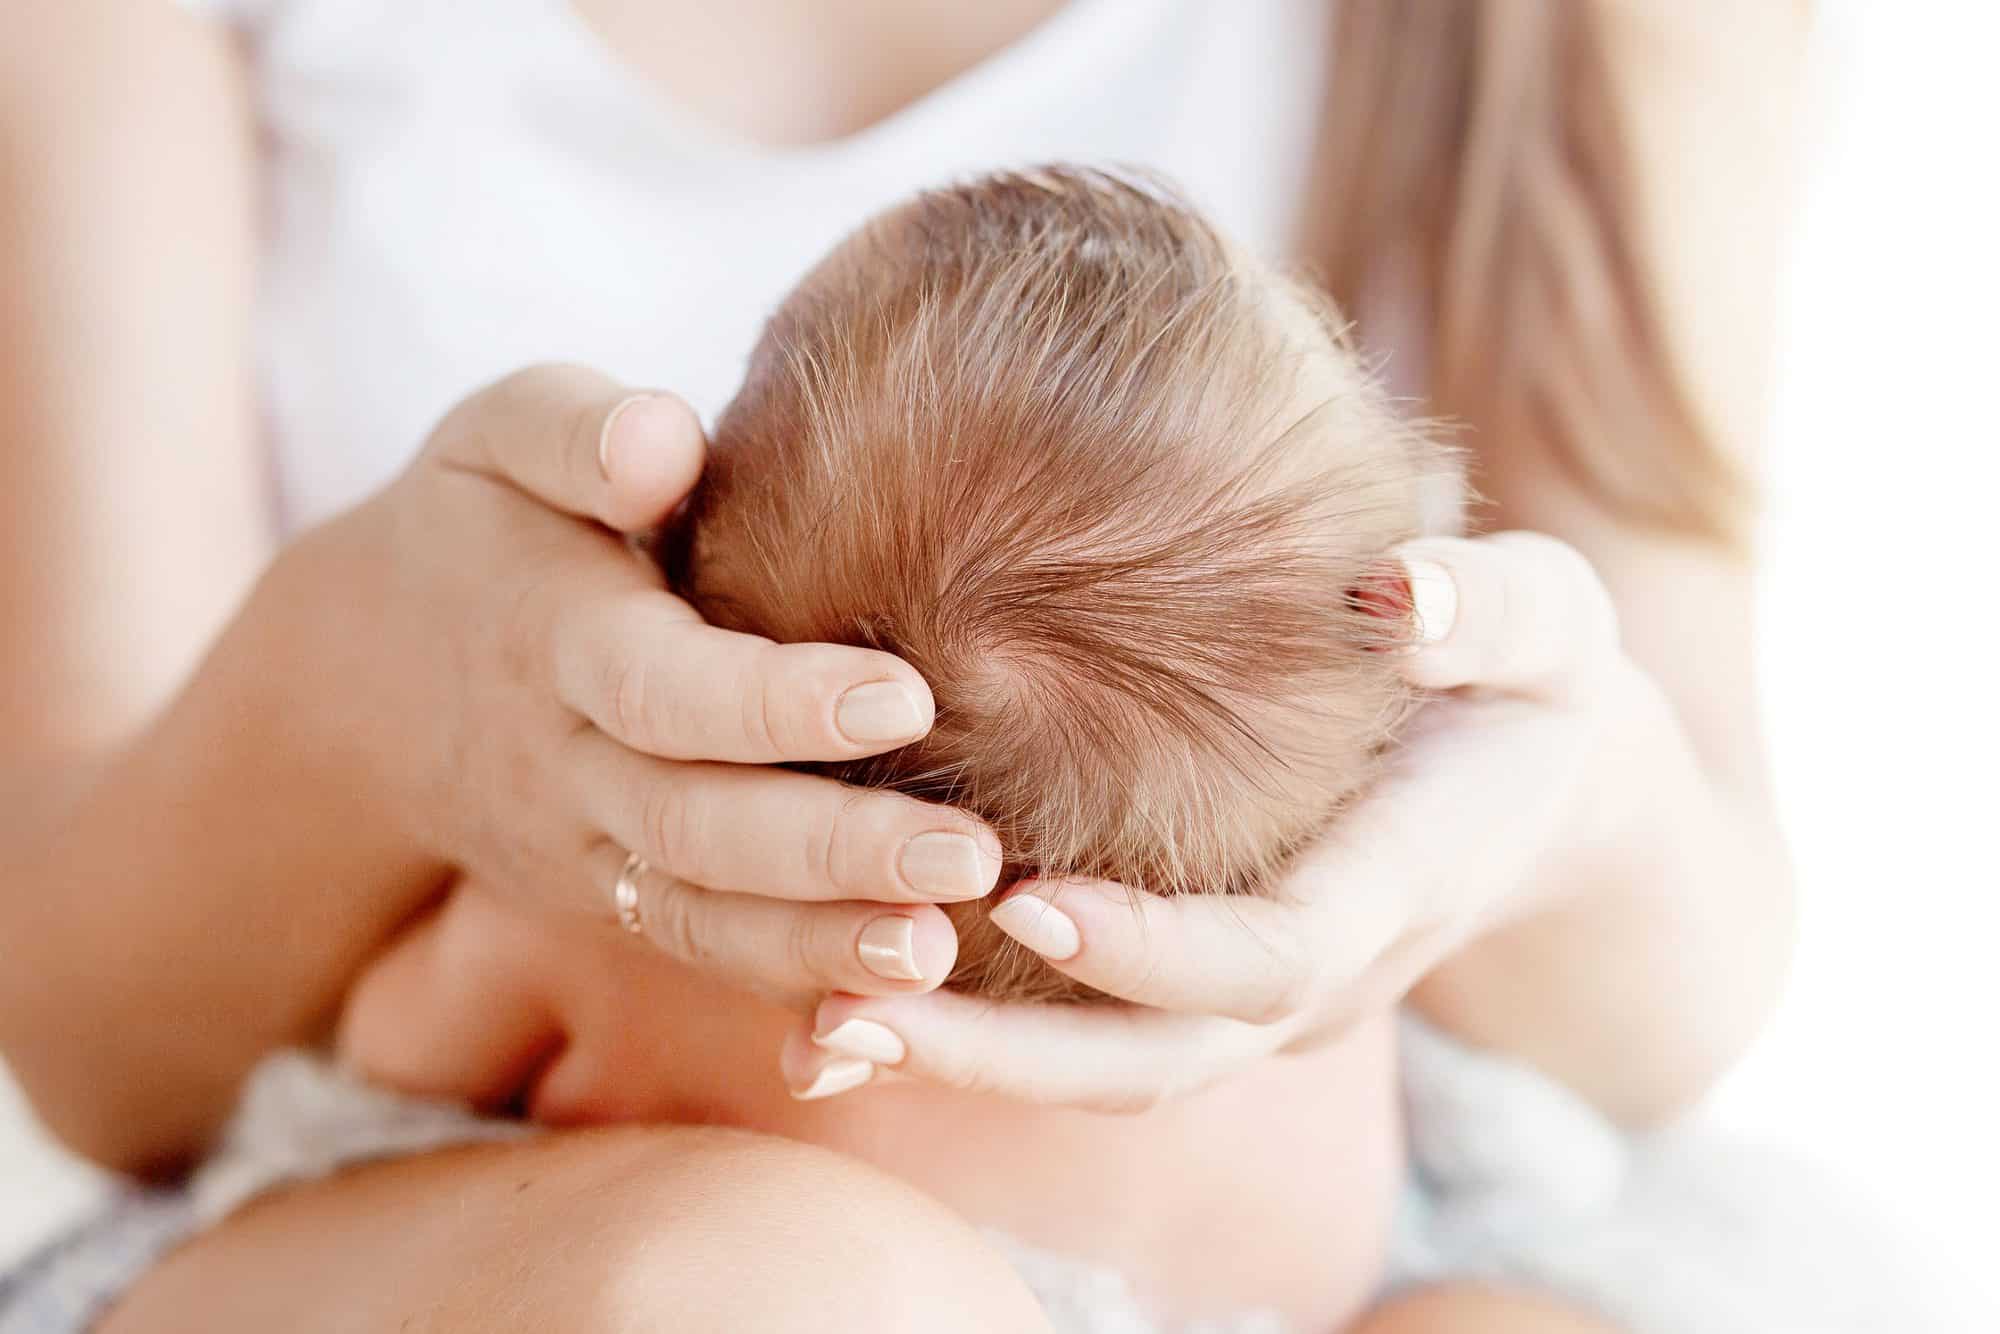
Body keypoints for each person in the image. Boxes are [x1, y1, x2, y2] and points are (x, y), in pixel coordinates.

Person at [0, 2, 1804, 1331]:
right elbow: (99, 1057)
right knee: (777, 1292)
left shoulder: (599, 916)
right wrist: (359, 685)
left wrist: (1577, 798)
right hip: (599, 1283)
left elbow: (392, 1059)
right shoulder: (1330, 1050)